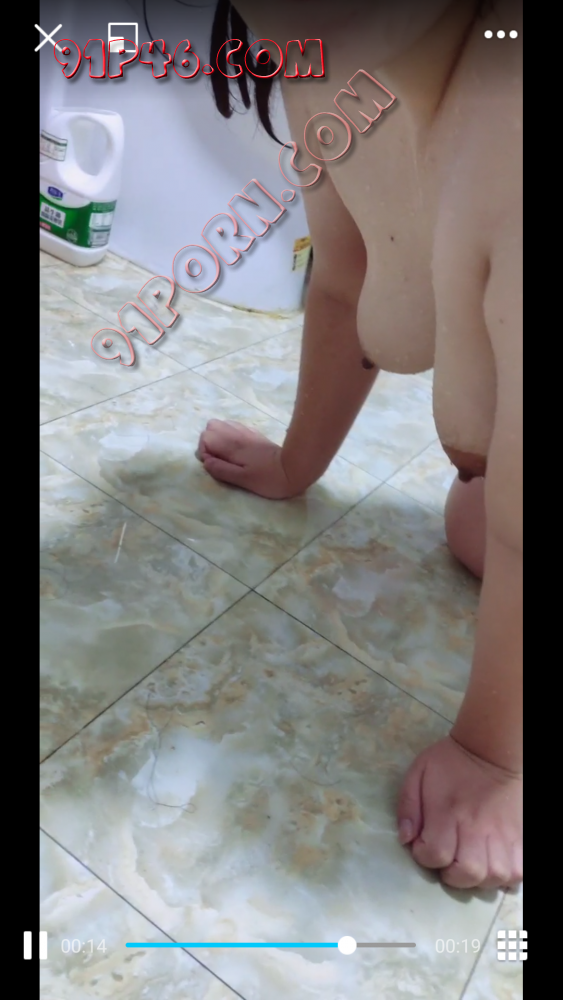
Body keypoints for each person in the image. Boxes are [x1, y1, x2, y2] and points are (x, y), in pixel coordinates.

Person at [196, 0, 523, 890]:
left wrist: (492, 757)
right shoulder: (324, 68)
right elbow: (344, 279)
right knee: (474, 526)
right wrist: (293, 464)